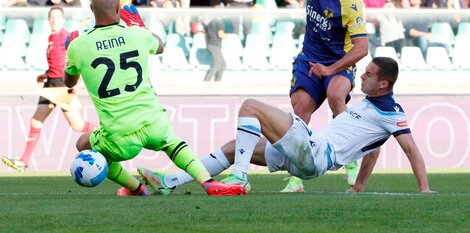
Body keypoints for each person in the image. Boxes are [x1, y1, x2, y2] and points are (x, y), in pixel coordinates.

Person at [138, 57, 433, 195]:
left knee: (250, 107)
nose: (363, 77)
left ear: (384, 84)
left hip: (316, 152)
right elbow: (374, 149)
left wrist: (425, 190)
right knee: (233, 148)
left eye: (368, 75)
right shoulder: (369, 105)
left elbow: (412, 151)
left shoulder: (391, 113)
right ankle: (170, 183)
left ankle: (240, 178)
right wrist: (358, 187)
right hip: (308, 152)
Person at [63, 0, 247, 197]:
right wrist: (141, 25)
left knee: (83, 144)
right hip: (154, 123)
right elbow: (160, 47)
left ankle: (136, 188)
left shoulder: (79, 45)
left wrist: (70, 53)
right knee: (173, 143)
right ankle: (208, 182)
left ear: (91, 9)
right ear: (118, 8)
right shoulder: (137, 34)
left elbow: (69, 82)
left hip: (118, 136)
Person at [282, 0, 369, 192]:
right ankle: (297, 177)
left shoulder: (350, 2)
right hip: (309, 57)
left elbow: (362, 48)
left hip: (338, 61)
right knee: (300, 110)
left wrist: (331, 69)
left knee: (335, 96)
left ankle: (349, 161)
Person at [2, 7, 97, 172]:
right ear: (48, 20)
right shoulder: (52, 37)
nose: (54, 20)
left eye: (57, 17)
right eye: (51, 17)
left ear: (63, 19)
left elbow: (77, 58)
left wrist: (80, 79)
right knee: (36, 121)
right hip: (51, 83)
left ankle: (105, 134)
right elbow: (57, 62)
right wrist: (45, 75)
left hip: (61, 85)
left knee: (77, 125)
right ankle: (24, 161)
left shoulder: (66, 36)